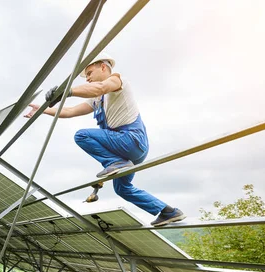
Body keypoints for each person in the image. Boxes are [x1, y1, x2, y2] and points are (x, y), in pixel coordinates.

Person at [25, 53, 185, 227]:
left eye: (89, 73)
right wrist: (41, 110)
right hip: (127, 153)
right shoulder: (98, 100)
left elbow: (100, 87)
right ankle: (168, 211)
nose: (87, 79)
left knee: (82, 135)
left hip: (131, 139)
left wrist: (67, 91)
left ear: (103, 67)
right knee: (122, 189)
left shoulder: (117, 81)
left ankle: (115, 162)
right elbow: (69, 112)